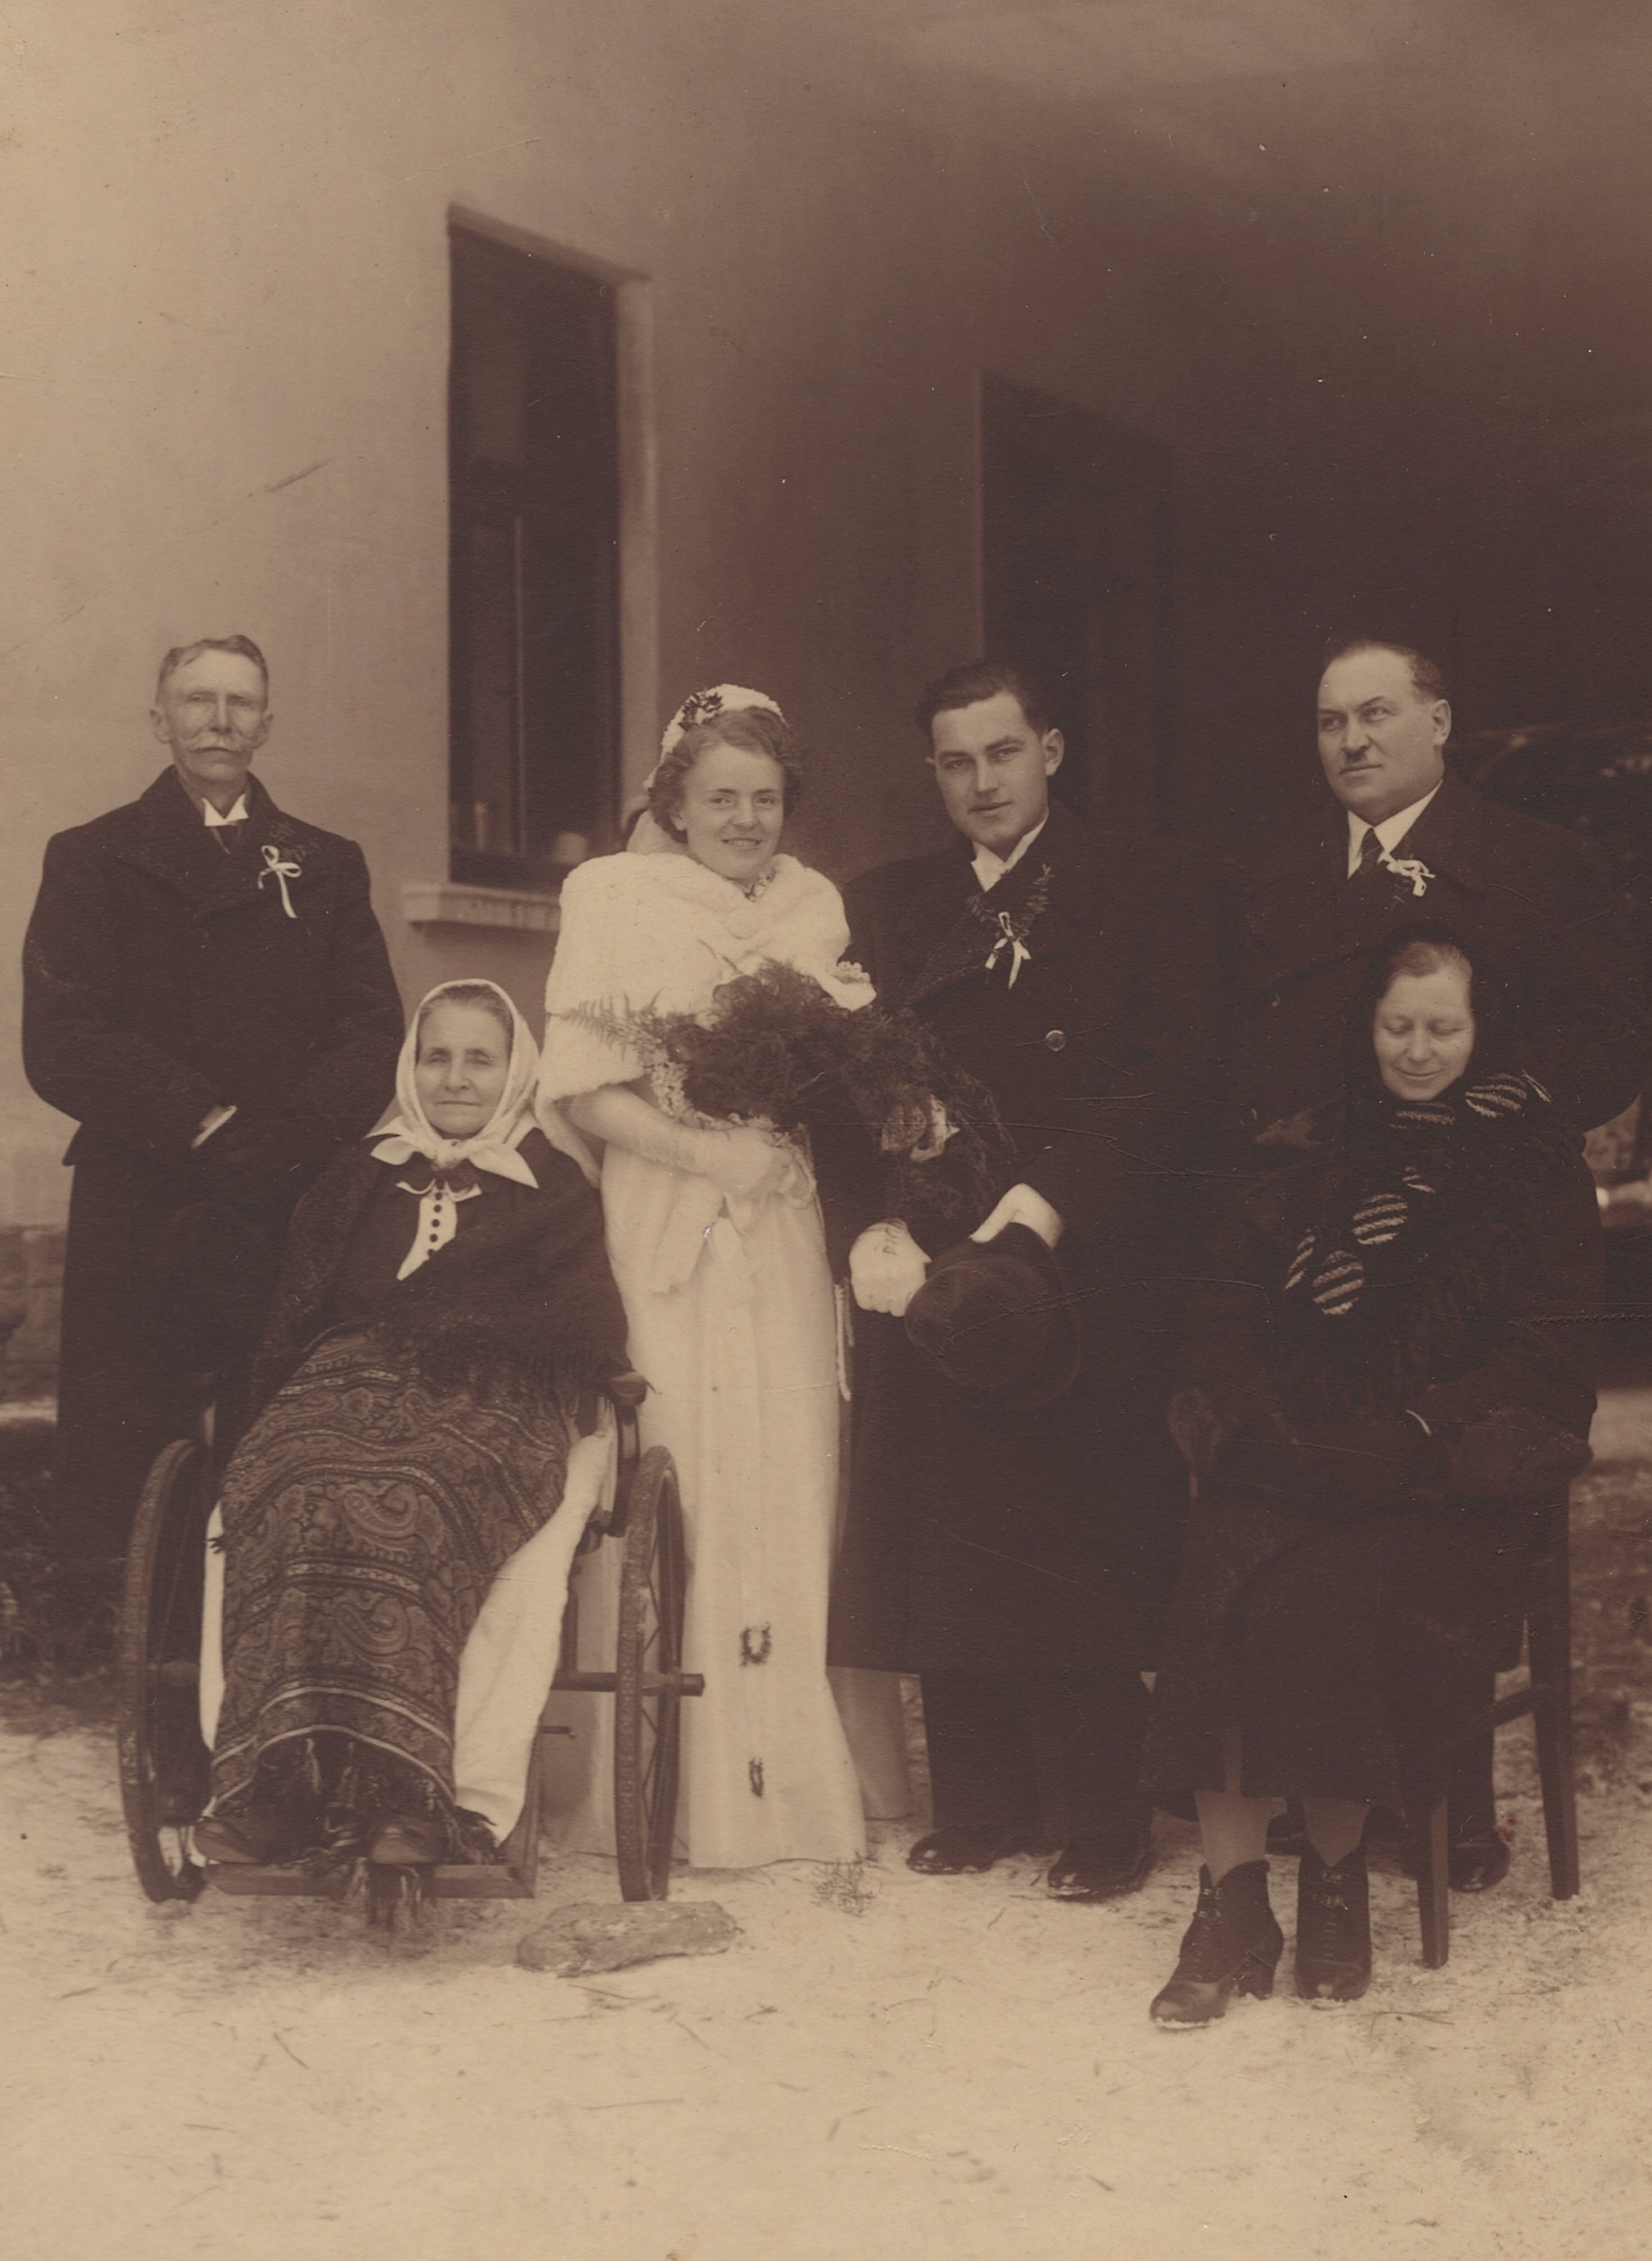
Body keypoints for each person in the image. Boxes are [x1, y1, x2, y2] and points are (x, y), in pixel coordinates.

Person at [1226, 636, 1647, 1890]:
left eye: (1377, 714)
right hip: (1324, 1240)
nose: (1351, 741)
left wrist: (1474, 1128)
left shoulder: (1539, 862)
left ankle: (1449, 1799)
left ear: (1440, 723)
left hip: (1484, 1245)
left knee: (1426, 1474)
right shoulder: (1276, 873)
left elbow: (1610, 1040)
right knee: (1295, 1470)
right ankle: (1323, 1783)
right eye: (1329, 722)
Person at [823, 659, 1228, 1902]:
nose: (982, 783)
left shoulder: (1150, 885)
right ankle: (982, 1803)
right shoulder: (888, 905)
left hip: (1087, 1249)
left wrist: (1043, 1207)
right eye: (955, 762)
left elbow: (1173, 1079)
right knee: (949, 1520)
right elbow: (834, 1086)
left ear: (1050, 751)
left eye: (1002, 753)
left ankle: (1103, 1813)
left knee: (1071, 1530)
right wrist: (868, 1225)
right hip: (936, 1261)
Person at [1143, 929, 1600, 2023]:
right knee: (1218, 1557)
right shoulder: (1307, 1148)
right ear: (1368, 1028)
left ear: (1483, 1031)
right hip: (1300, 1453)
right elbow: (1221, 1314)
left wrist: (1414, 1427)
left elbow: (1548, 1351)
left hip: (1448, 1481)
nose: (1417, 1050)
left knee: (1326, 1583)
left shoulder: (1534, 1167)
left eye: (1443, 1027)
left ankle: (1334, 1879)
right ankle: (1231, 1901)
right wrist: (1264, 1430)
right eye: (1397, 1026)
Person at [537, 685, 901, 1869]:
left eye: (766, 797)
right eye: (720, 797)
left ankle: (785, 1789)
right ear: (675, 804)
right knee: (680, 1469)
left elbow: (835, 1074)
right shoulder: (609, 894)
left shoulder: (813, 903)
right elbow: (583, 1087)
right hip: (666, 1214)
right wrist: (705, 1153)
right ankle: (669, 1790)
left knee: (791, 1473)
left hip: (781, 1216)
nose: (745, 819)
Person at [194, 980, 627, 1868]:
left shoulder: (553, 1185)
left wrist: (455, 1325)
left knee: (416, 1496)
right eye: (437, 1057)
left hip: (494, 1397)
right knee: (294, 1481)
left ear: (516, 1071)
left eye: (480, 1059)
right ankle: (279, 1789)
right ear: (410, 1068)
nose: (456, 1078)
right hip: (345, 1383)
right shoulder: (359, 1174)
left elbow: (582, 1325)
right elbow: (302, 1311)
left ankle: (409, 1798)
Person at [22, 635, 403, 1573]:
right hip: (143, 1181)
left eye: (241, 703)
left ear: (266, 725)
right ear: (160, 719)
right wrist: (204, 1119)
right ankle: (130, 1638)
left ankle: (267, 1624)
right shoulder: (92, 856)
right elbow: (64, 1036)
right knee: (133, 1442)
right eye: (198, 701)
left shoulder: (325, 863)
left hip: (284, 1187)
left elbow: (370, 1028)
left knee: (273, 1420)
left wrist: (299, 1136)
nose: (220, 721)